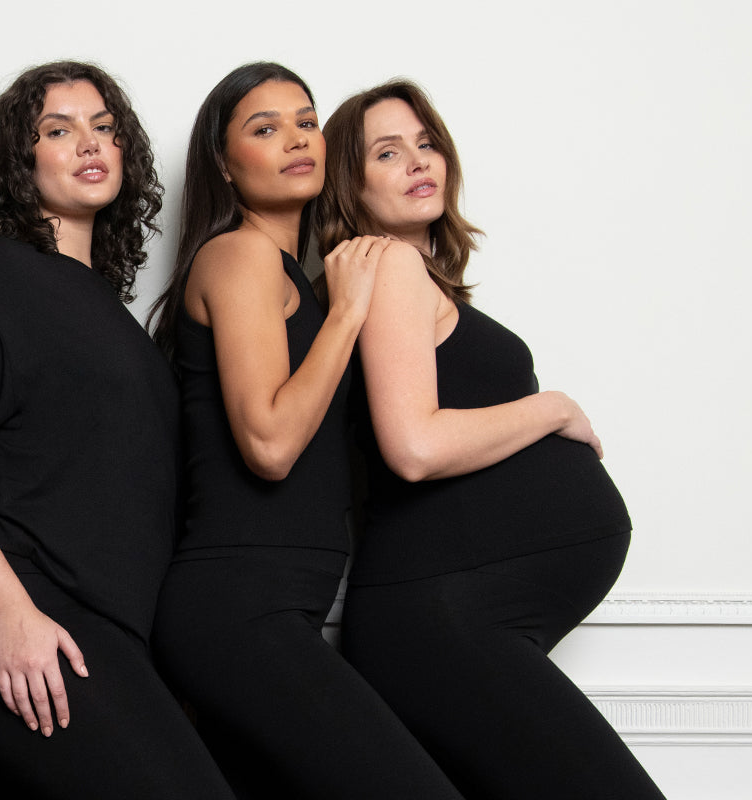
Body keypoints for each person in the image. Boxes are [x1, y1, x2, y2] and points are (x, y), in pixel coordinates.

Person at [0, 60, 235, 800]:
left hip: (106, 630)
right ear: (22, 159)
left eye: (104, 127)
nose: (89, 143)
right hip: (20, 614)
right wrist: (12, 613)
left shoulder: (113, 316)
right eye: (58, 130)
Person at [318, 78, 666, 799]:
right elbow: (414, 447)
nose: (418, 161)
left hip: (454, 621)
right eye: (387, 152)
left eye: (427, 143)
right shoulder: (390, 265)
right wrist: (552, 409)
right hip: (442, 624)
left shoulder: (412, 278)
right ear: (350, 185)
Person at [144, 63, 461, 800]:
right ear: (224, 165)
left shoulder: (294, 280)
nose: (296, 139)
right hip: (236, 607)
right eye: (266, 128)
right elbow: (270, 445)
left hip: (273, 606)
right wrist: (349, 311)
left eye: (307, 122)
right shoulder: (240, 254)